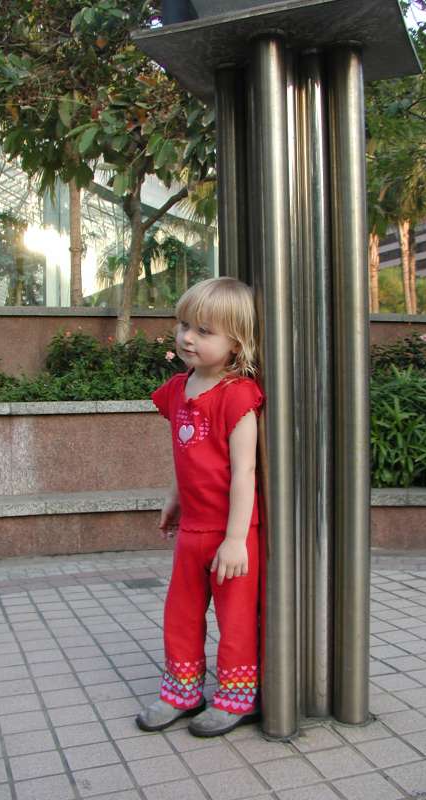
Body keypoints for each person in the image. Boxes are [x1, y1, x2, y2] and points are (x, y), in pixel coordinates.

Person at [135, 276, 264, 737]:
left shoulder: (237, 395)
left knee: (235, 618)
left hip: (232, 535)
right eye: (184, 325)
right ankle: (182, 691)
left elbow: (245, 472)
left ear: (236, 343)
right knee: (182, 612)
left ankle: (237, 696)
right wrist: (174, 497)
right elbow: (186, 455)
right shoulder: (178, 389)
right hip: (192, 529)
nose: (187, 337)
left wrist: (235, 539)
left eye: (204, 331)